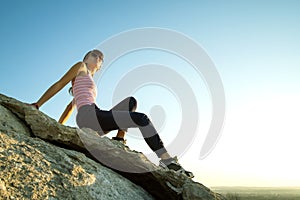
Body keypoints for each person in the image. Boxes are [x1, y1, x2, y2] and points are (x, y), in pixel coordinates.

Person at [31, 49, 194, 178]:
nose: (98, 58)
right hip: (89, 116)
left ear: (100, 66)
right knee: (142, 119)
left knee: (130, 101)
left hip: (95, 116)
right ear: (86, 58)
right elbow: (60, 84)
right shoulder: (80, 67)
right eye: (94, 55)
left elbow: (70, 106)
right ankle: (167, 160)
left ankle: (119, 139)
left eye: (100, 58)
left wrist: (58, 127)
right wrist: (39, 105)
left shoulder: (88, 82)